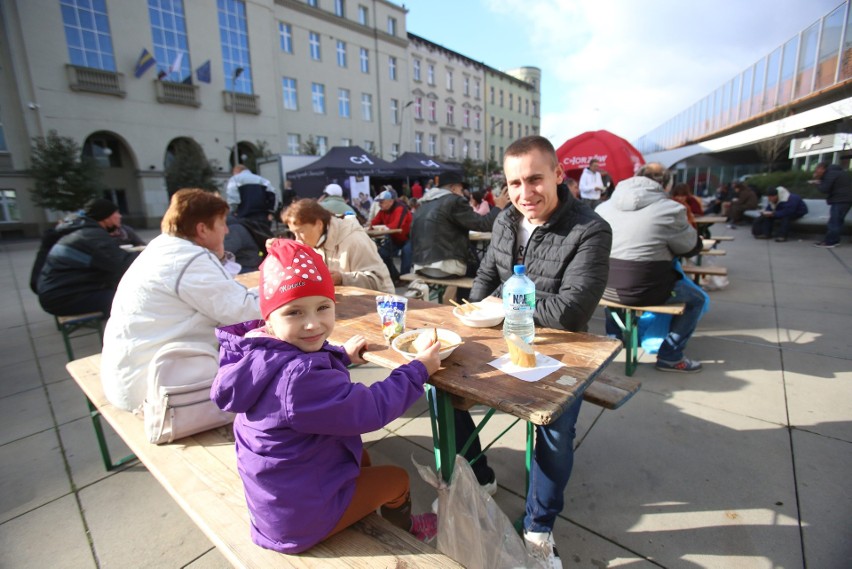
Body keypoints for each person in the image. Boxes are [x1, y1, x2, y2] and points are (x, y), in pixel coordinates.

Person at [210, 239, 441, 553]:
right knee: (397, 478)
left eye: (323, 307)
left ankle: (362, 506)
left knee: (362, 458)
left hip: (279, 500)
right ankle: (411, 530)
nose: (312, 323)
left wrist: (341, 355)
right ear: (270, 319)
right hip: (298, 520)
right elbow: (370, 409)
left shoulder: (258, 353)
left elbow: (291, 363)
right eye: (294, 312)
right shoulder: (300, 379)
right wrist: (419, 369)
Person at [464, 136, 611, 568]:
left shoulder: (591, 228)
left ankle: (538, 528)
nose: (524, 193)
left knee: (553, 427)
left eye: (534, 179)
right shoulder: (506, 219)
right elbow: (486, 275)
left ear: (558, 175)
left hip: (564, 350)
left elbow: (571, 311)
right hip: (502, 335)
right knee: (436, 379)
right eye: (514, 183)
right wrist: (475, 313)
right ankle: (479, 473)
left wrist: (500, 306)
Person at [100, 189, 260, 412]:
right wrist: (284, 288)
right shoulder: (189, 258)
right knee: (274, 372)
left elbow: (223, 297)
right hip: (157, 393)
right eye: (222, 223)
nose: (226, 230)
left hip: (132, 377)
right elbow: (245, 311)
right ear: (202, 229)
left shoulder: (163, 248)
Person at [596, 162, 706, 374]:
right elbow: (691, 247)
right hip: (648, 290)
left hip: (604, 288)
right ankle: (671, 356)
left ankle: (615, 338)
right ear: (665, 185)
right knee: (697, 299)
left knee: (616, 279)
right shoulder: (671, 209)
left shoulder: (603, 208)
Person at [35, 198, 139, 317]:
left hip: (58, 292)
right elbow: (125, 265)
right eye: (116, 213)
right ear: (107, 217)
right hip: (63, 297)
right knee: (134, 297)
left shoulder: (81, 231)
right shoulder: (91, 236)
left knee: (119, 288)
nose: (120, 216)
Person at [411, 171, 509, 283]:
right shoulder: (454, 200)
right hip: (444, 267)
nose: (463, 194)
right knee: (487, 276)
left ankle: (452, 298)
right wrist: (499, 206)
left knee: (477, 267)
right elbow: (484, 224)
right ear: (453, 188)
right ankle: (467, 301)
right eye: (461, 190)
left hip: (420, 267)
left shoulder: (423, 205)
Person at [283, 198, 394, 293]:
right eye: (293, 233)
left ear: (319, 224)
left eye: (301, 231)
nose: (297, 239)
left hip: (381, 308)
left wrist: (342, 279)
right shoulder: (316, 240)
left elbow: (379, 282)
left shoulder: (354, 239)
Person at [370, 187, 413, 286]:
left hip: (408, 237)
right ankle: (394, 276)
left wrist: (381, 228)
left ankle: (404, 278)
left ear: (390, 201)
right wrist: (372, 226)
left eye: (382, 202)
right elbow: (374, 222)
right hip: (395, 238)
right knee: (382, 253)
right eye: (379, 202)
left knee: (406, 252)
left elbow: (397, 225)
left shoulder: (401, 208)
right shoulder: (383, 211)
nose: (380, 204)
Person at [811, 161, 852, 248]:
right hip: (845, 199)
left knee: (834, 221)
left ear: (822, 168)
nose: (816, 172)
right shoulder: (838, 173)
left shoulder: (831, 174)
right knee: (838, 221)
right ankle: (834, 240)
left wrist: (817, 182)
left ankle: (830, 241)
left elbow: (824, 189)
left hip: (840, 200)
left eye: (817, 169)